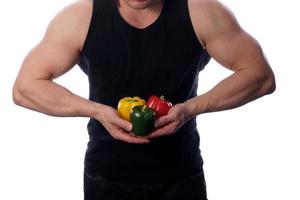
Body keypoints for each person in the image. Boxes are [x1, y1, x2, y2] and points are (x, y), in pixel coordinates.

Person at [13, 0, 276, 199]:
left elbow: (260, 76)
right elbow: (26, 87)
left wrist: (189, 109)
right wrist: (96, 111)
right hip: (106, 176)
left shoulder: (201, 11)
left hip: (180, 174)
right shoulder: (80, 16)